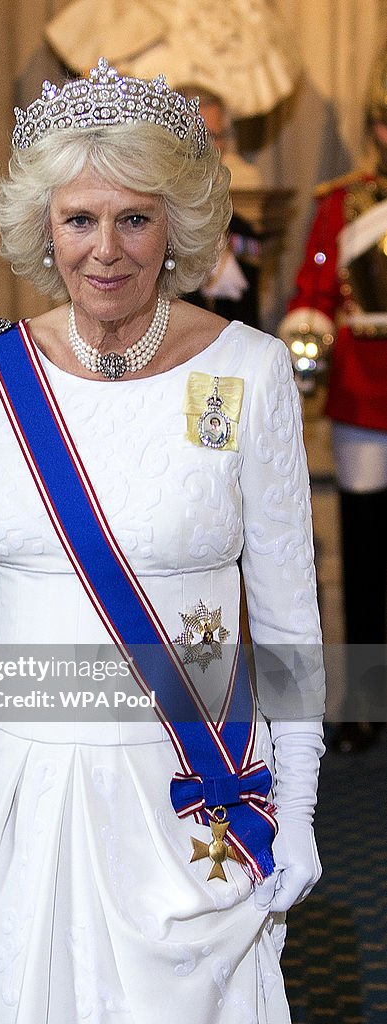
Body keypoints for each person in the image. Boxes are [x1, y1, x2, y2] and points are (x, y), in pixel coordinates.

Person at [0, 59, 325, 1023]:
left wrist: (303, 793)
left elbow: (286, 612)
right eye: (79, 219)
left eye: (133, 218)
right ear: (45, 229)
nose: (104, 250)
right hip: (12, 791)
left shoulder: (248, 372)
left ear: (177, 228)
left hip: (179, 793)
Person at [280, 46, 387, 754]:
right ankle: (366, 701)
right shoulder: (340, 205)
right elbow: (309, 299)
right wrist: (307, 340)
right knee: (366, 555)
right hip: (361, 400)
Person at [180, 87, 262, 328]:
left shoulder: (242, 231)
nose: (206, 147)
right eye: (196, 135)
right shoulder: (146, 222)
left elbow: (250, 323)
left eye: (215, 136)